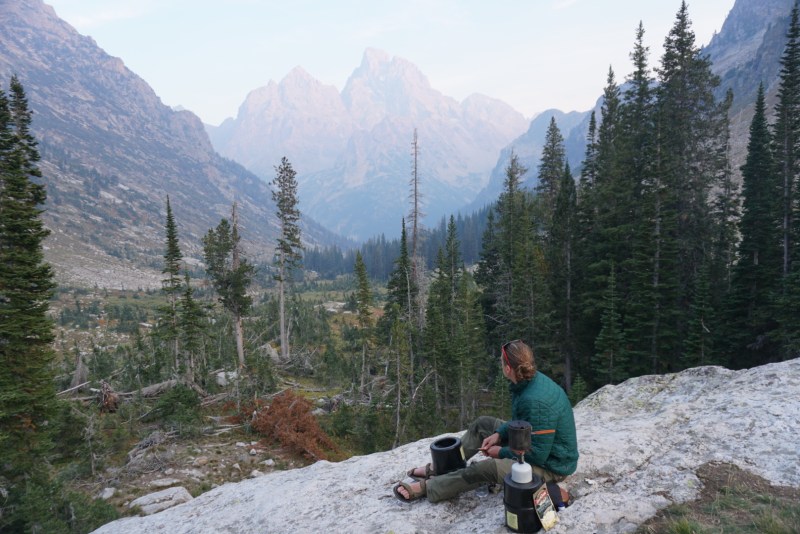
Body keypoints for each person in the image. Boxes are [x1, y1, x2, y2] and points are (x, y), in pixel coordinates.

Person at [393, 339, 578, 503]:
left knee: (488, 468)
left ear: (507, 369)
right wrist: (499, 434)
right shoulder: (529, 383)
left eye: (501, 361)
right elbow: (521, 423)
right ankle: (445, 469)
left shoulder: (534, 401)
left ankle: (431, 487)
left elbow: (537, 455)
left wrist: (501, 452)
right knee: (484, 424)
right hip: (537, 448)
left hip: (551, 467)